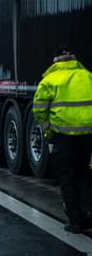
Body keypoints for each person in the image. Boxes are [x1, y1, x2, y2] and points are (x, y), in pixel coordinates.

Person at [33, 46, 92, 234]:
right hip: (87, 136)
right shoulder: (88, 76)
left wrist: (48, 132)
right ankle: (88, 215)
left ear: (55, 61)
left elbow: (39, 110)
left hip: (63, 138)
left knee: (67, 177)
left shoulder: (49, 80)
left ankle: (75, 222)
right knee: (84, 174)